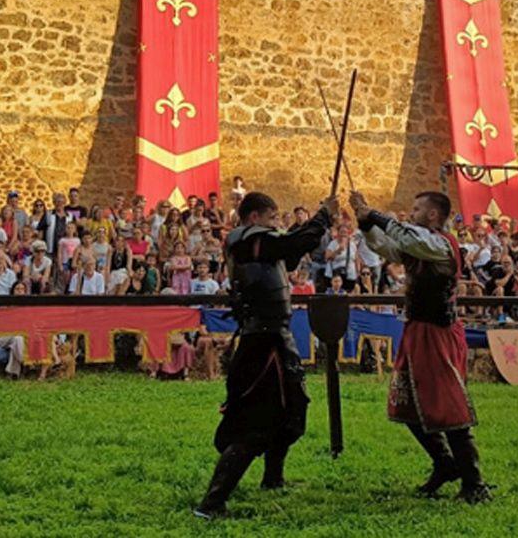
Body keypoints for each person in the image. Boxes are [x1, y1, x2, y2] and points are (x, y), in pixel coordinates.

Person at [194, 191, 335, 519]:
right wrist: (323, 215)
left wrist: (313, 227)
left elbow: (286, 255)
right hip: (262, 341)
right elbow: (290, 245)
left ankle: (273, 477)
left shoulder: (255, 246)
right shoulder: (246, 240)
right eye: (272, 219)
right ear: (255, 218)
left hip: (275, 335)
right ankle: (211, 503)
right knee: (255, 424)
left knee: (292, 409)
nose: (275, 226)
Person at [351, 189, 491, 504]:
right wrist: (364, 222)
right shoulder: (421, 244)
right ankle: (445, 464)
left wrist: (374, 214)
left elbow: (407, 238)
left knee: (448, 406)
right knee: (408, 404)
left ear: (431, 215)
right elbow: (386, 245)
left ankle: (474, 482)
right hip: (418, 331)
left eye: (416, 208)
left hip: (438, 334)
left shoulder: (440, 244)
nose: (410, 213)